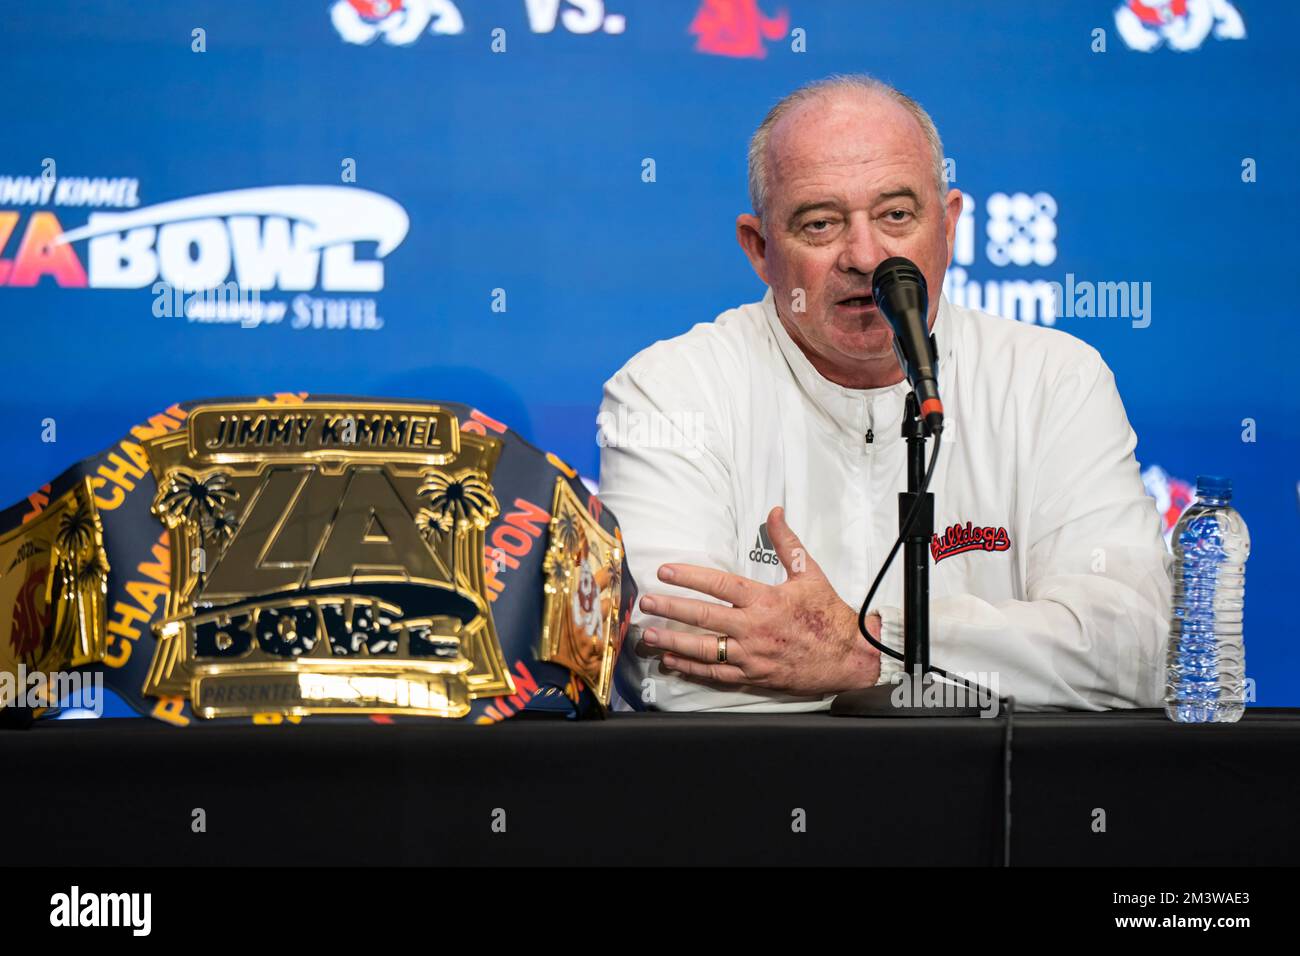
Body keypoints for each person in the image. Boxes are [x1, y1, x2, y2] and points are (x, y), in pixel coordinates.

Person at [597, 74, 1170, 713]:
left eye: (897, 215)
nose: (867, 256)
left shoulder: (1053, 380)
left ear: (948, 225)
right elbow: (665, 661)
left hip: (996, 803)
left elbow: (1135, 648)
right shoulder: (671, 391)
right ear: (760, 250)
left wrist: (861, 647)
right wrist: (985, 658)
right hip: (749, 798)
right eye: (820, 224)